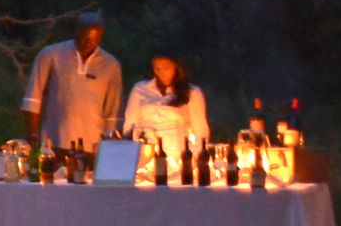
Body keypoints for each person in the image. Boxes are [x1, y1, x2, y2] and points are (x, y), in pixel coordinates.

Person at [22, 13, 125, 163]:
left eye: (95, 38)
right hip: (54, 143)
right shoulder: (51, 55)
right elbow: (32, 100)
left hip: (92, 146)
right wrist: (33, 139)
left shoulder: (110, 65)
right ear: (76, 32)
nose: (89, 42)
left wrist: (111, 151)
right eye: (85, 36)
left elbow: (113, 113)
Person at [120, 53, 210, 158]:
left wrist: (194, 157)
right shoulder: (140, 89)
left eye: (166, 67)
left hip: (178, 154)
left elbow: (200, 130)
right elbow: (130, 124)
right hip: (146, 153)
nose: (161, 72)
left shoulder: (192, 92)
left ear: (176, 67)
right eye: (157, 68)